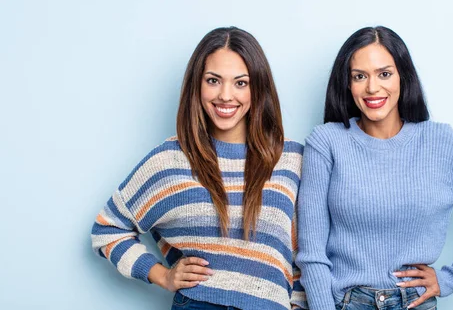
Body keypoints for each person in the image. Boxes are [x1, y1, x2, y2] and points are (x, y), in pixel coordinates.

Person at [296, 26, 453, 310]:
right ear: (347, 84)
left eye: (384, 74)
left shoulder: (444, 143)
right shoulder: (327, 142)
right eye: (359, 76)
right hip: (346, 302)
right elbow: (312, 254)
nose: (372, 88)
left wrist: (448, 279)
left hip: (413, 303)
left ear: (403, 77)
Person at [91, 26, 307, 310]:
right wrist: (163, 276)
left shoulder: (289, 158)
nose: (226, 95)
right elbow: (107, 229)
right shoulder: (171, 159)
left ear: (258, 87)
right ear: (198, 84)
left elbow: (304, 255)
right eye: (213, 80)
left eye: (241, 83)